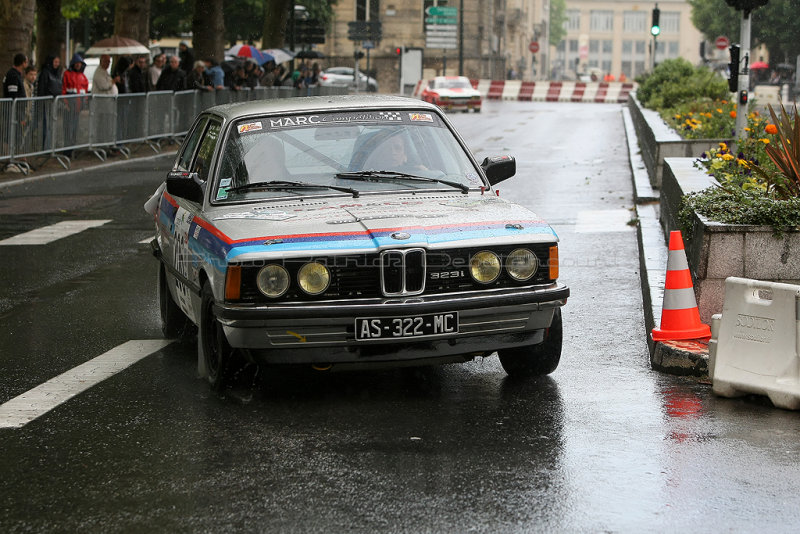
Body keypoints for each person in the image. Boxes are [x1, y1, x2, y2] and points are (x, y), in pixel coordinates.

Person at [61, 53, 89, 156]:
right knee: (68, 128)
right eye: (76, 63)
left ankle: (72, 149)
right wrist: (66, 104)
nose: (78, 65)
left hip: (77, 107)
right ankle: (67, 150)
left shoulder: (82, 76)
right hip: (70, 106)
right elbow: (64, 89)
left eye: (80, 63)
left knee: (74, 129)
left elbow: (84, 91)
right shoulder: (68, 74)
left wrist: (83, 103)